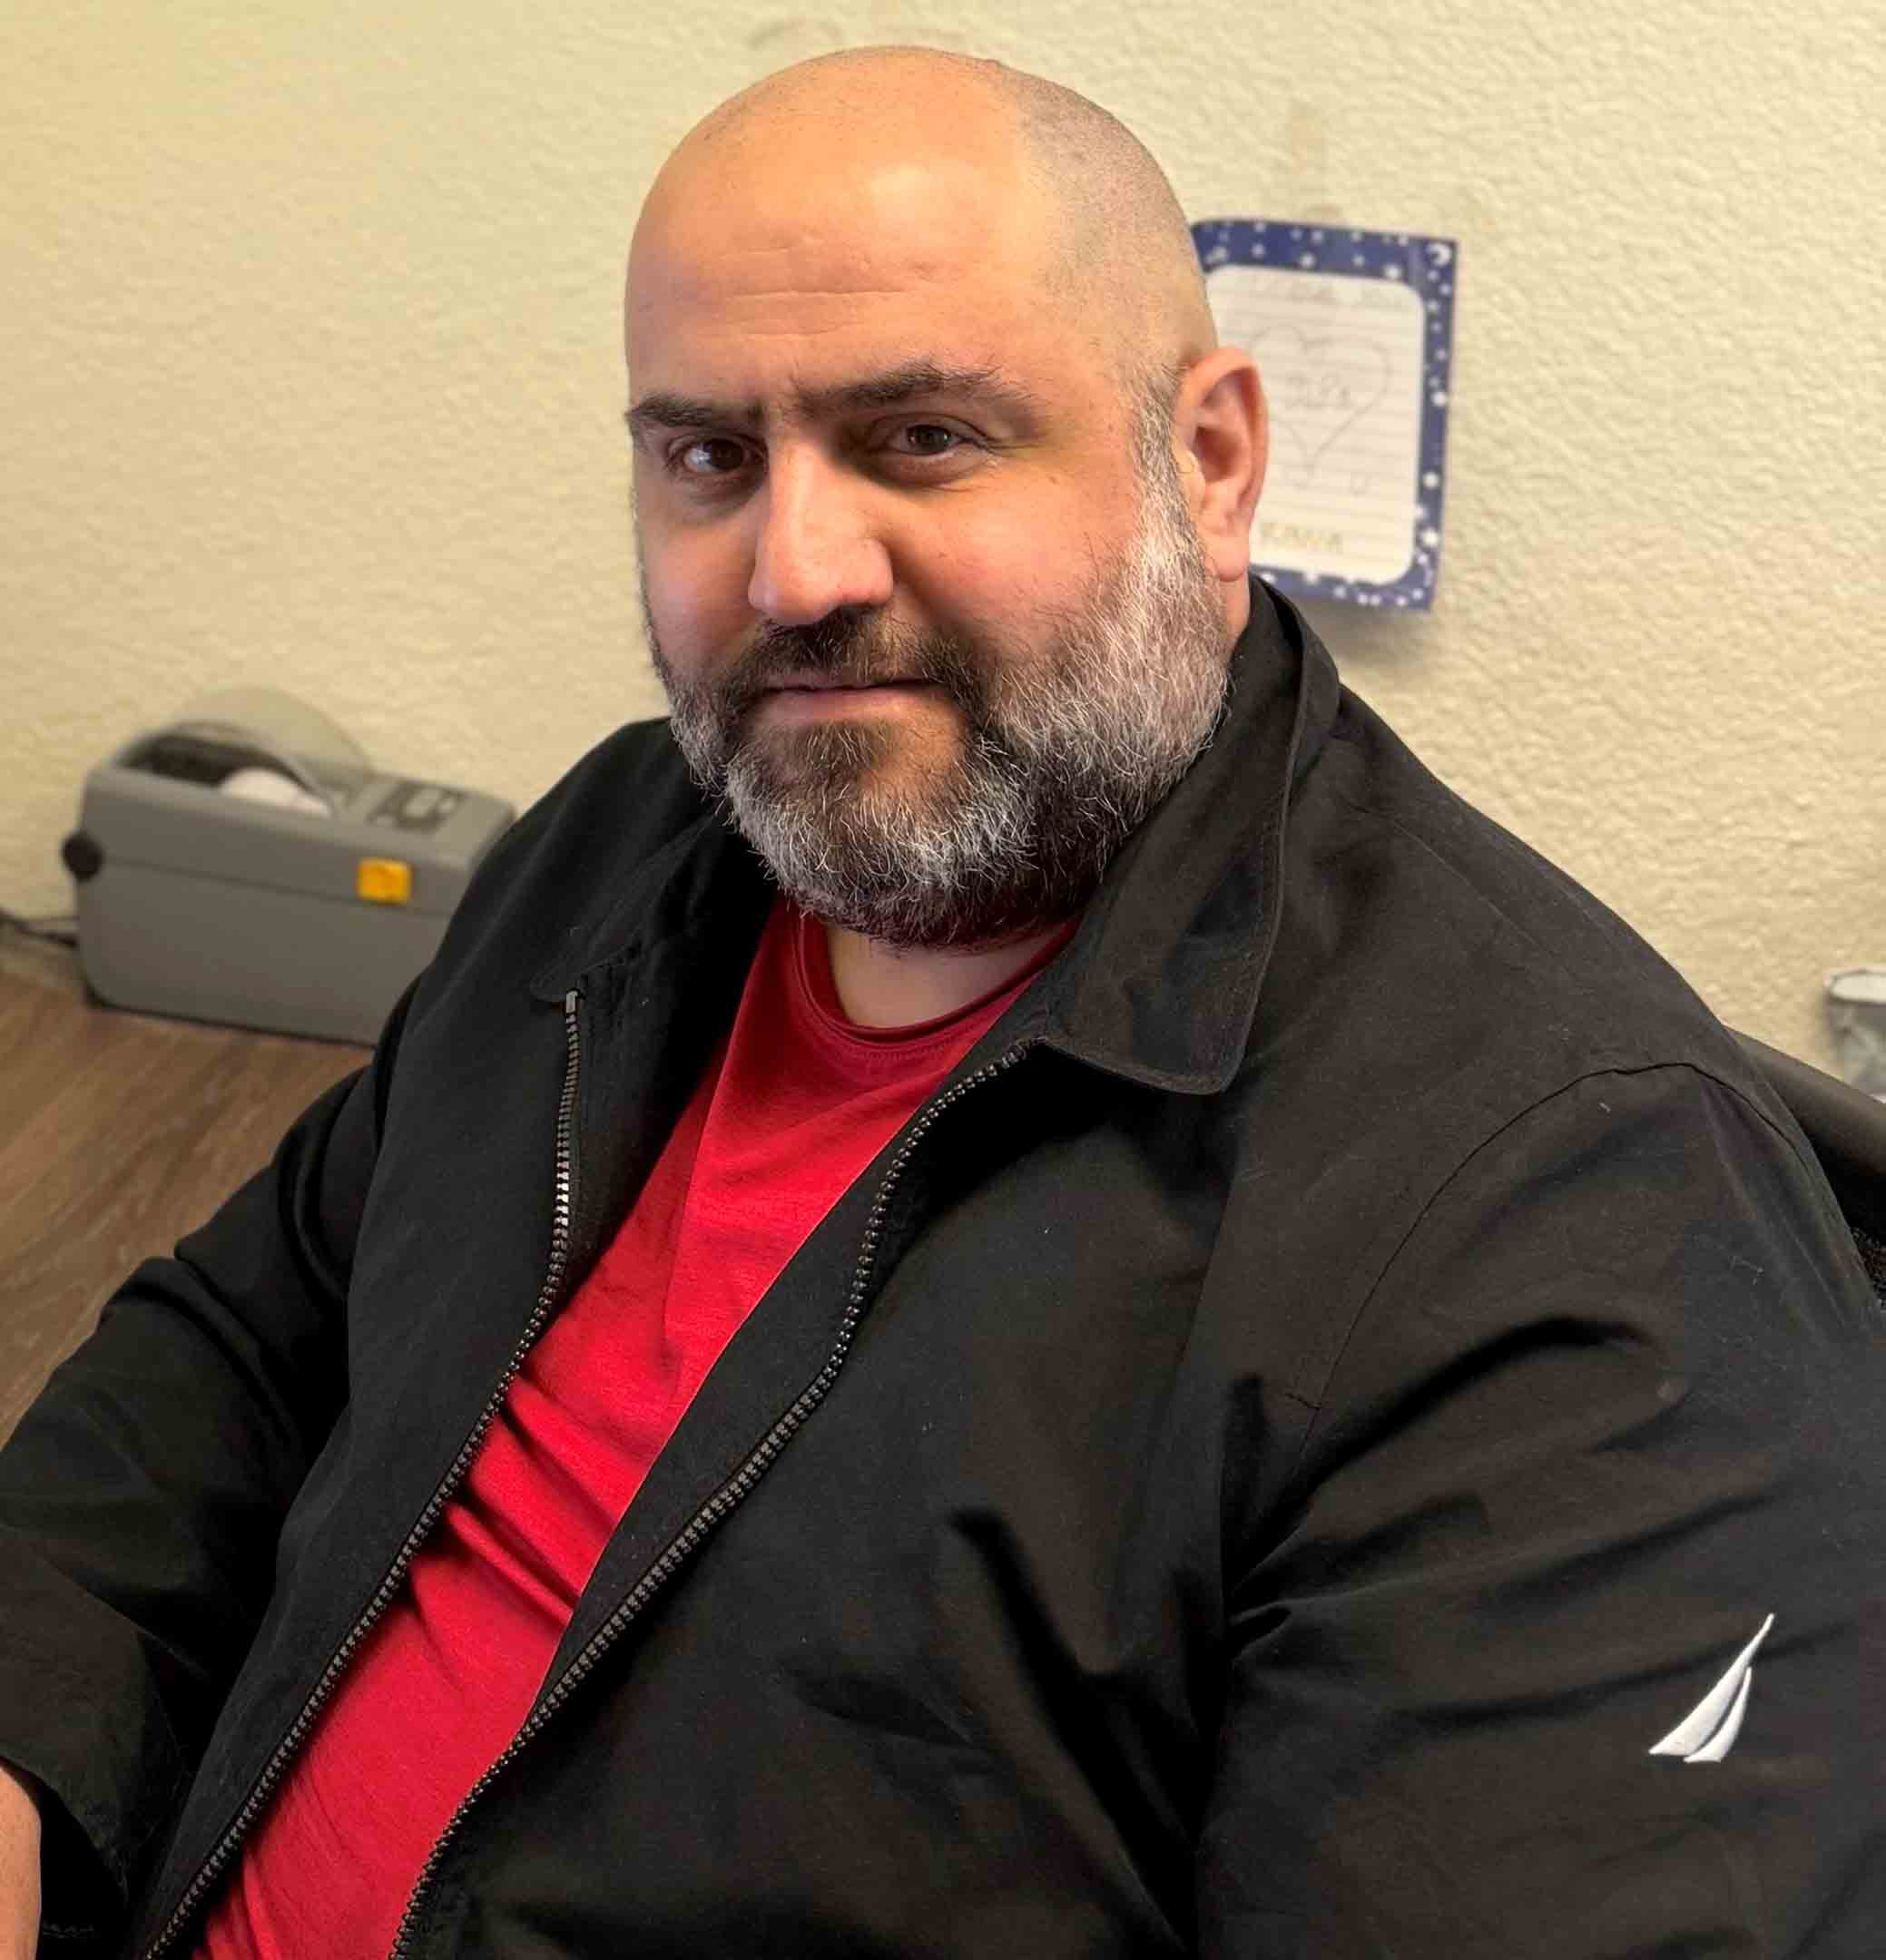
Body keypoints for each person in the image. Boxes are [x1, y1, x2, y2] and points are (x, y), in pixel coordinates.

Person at [2, 43, 1883, 1959]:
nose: (794, 572)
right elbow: (252, 1347)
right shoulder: (625, 849)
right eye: (708, 458)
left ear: (1211, 461)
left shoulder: (1577, 1247)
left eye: (921, 439)